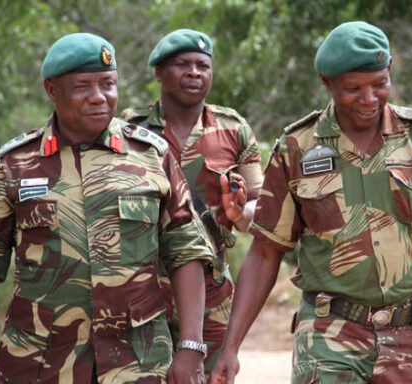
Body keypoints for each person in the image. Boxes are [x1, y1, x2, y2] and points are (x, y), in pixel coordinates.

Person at [210, 21, 412, 384]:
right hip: (327, 337)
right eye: (353, 89)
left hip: (408, 338)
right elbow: (266, 251)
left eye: (380, 84)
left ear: (390, 69)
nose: (369, 99)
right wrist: (231, 348)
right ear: (327, 83)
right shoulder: (297, 147)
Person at [0, 32, 214, 384]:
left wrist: (190, 347)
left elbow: (186, 252)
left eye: (108, 84)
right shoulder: (13, 166)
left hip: (139, 362)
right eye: (82, 87)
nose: (99, 98)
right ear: (52, 90)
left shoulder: (151, 156)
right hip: (39, 363)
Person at [122, 29, 263, 375]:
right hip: (142, 290)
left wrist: (239, 211)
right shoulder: (129, 130)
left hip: (212, 296)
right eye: (182, 64)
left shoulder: (234, 129)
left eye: (203, 65)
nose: (194, 72)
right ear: (159, 73)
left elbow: (260, 212)